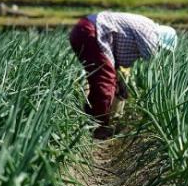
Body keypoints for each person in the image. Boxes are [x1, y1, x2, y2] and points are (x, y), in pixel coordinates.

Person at [69, 10, 177, 139]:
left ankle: (91, 114)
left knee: (99, 78)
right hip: (92, 31)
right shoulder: (152, 35)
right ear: (162, 40)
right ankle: (100, 126)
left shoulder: (146, 27)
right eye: (162, 48)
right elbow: (154, 61)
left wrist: (120, 82)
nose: (160, 51)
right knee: (105, 80)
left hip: (86, 29)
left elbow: (116, 57)